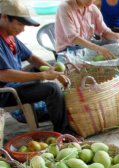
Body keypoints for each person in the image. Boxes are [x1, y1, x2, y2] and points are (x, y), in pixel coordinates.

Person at [0, 0, 79, 135]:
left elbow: (31, 57)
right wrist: (42, 76)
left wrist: (57, 74)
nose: (22, 29)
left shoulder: (10, 37)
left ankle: (48, 109)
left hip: (15, 83)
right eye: (19, 24)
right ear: (5, 17)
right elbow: (3, 74)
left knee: (39, 68)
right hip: (6, 92)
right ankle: (64, 133)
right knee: (52, 90)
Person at [54, 0, 119, 61]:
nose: (91, 1)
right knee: (69, 64)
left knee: (115, 40)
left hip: (88, 44)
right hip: (69, 48)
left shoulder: (92, 8)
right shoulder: (65, 7)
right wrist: (98, 48)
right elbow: (73, 38)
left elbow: (105, 32)